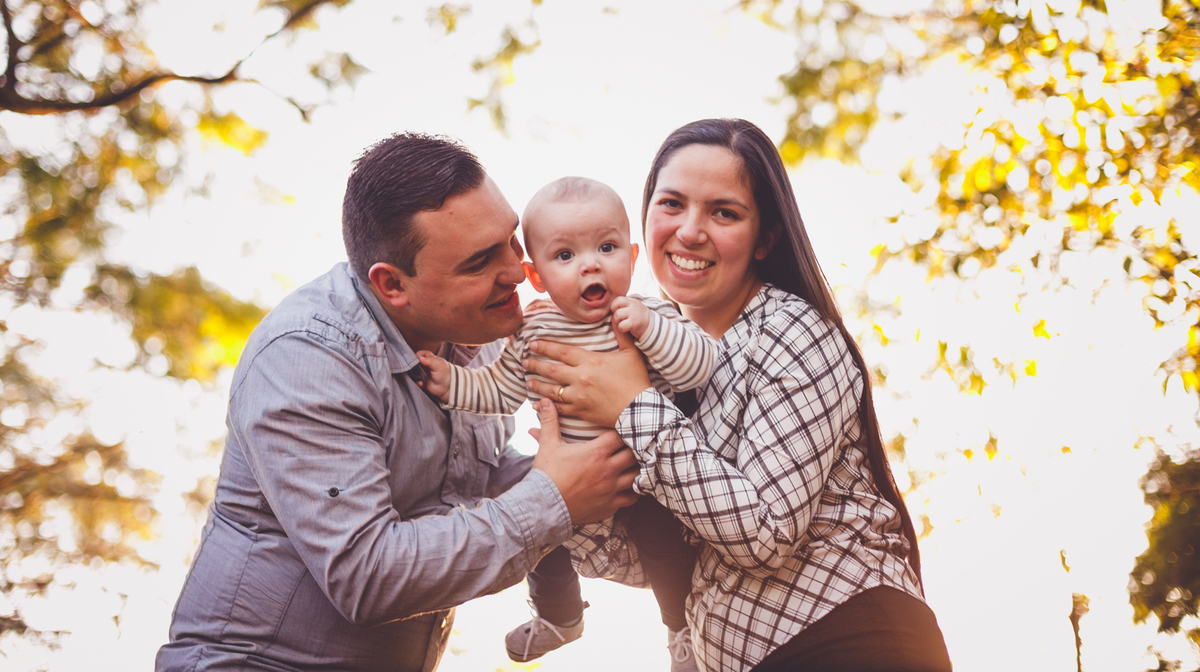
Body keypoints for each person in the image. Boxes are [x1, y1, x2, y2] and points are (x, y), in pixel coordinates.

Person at [155, 133, 639, 672]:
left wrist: (613, 469)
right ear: (393, 285)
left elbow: (467, 486)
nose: (516, 272)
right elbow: (367, 577)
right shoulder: (308, 357)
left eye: (512, 242)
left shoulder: (480, 339)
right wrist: (553, 499)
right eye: (480, 262)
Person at [521, 119, 953, 672]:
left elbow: (764, 534)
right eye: (671, 203)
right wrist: (572, 482)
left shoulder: (792, 332)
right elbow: (651, 556)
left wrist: (633, 407)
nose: (690, 231)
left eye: (723, 212)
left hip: (850, 644)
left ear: (765, 238)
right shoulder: (641, 350)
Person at [417, 176, 716, 670]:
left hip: (645, 473)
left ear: (632, 256)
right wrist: (453, 382)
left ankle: (679, 629)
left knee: (664, 547)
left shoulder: (650, 314)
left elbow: (698, 366)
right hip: (569, 475)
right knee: (538, 528)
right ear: (536, 277)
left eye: (606, 246)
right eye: (565, 256)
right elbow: (500, 389)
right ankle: (561, 616)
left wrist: (649, 328)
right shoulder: (533, 329)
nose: (590, 263)